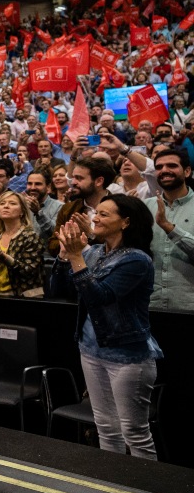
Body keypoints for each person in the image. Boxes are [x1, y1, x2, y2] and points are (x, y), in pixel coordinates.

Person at [51, 195, 163, 460]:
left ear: (125, 222)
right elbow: (57, 290)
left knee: (134, 431)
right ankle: (112, 485)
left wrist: (78, 257)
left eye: (104, 214)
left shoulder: (137, 260)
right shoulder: (96, 253)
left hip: (127, 356)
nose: (95, 219)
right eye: (96, 213)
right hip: (91, 350)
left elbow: (99, 296)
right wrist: (65, 255)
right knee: (106, 427)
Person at [144, 149, 194, 311]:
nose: (164, 170)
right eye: (159, 167)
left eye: (172, 165)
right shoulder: (145, 207)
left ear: (187, 171)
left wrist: (169, 228)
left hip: (188, 306)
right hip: (150, 305)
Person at [0, 191, 45, 297]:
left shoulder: (30, 236)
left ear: (22, 212)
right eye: (2, 204)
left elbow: (30, 270)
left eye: (12, 203)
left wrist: (4, 257)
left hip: (24, 295)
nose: (6, 206)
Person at [24, 170, 61, 242]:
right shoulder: (21, 206)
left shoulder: (59, 207)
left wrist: (38, 213)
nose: (33, 188)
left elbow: (55, 233)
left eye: (38, 184)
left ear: (48, 187)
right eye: (29, 184)